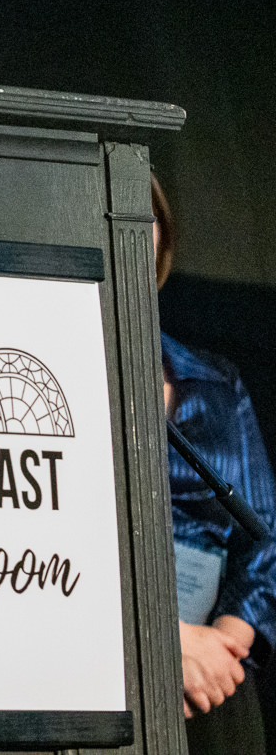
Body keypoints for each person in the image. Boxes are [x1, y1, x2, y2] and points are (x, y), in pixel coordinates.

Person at [157, 176, 276, 751]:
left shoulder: (217, 380)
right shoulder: (52, 379)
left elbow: (264, 531)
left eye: (146, 213)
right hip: (111, 663)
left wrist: (226, 642)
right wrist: (164, 640)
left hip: (218, 673)